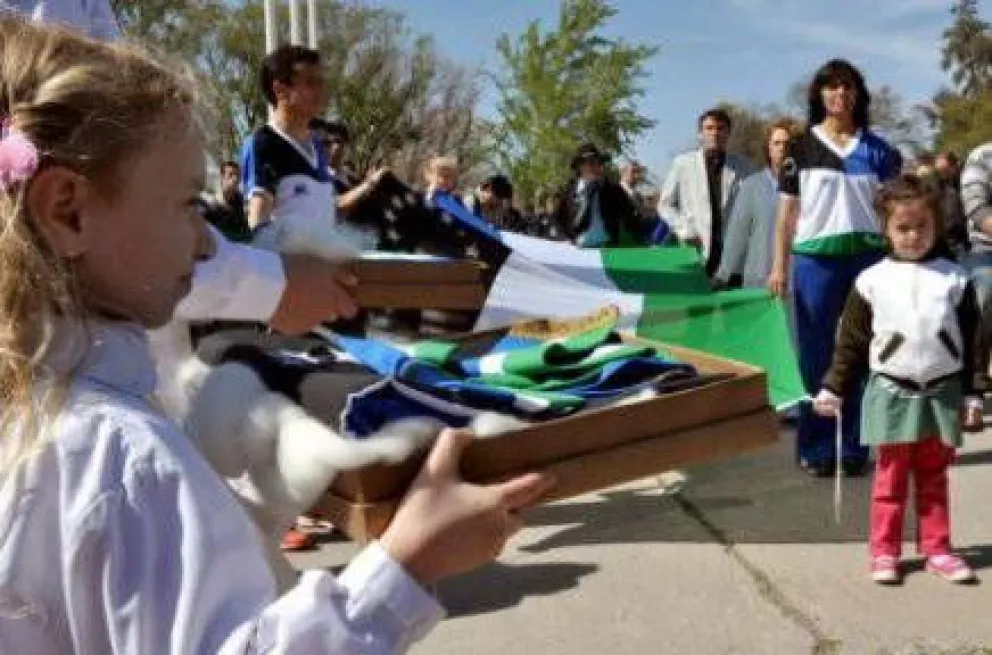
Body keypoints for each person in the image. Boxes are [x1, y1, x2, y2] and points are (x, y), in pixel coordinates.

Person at [0, 18, 554, 653]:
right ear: (68, 210)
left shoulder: (43, 416)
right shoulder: (124, 463)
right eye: (186, 204)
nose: (208, 238)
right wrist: (406, 565)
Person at [812, 174, 983, 585]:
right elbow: (851, 342)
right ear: (885, 230)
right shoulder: (871, 281)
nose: (912, 236)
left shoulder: (955, 279)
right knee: (889, 480)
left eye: (921, 226)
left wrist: (973, 394)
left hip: (941, 393)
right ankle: (884, 552)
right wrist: (834, 385)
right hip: (891, 392)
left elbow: (975, 342)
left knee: (933, 477)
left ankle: (937, 548)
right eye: (902, 228)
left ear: (936, 225)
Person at [768, 59, 902, 477]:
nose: (839, 94)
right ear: (819, 95)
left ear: (857, 94)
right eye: (831, 87)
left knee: (864, 352)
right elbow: (787, 215)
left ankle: (857, 446)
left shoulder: (881, 151)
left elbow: (897, 210)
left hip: (867, 259)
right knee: (815, 356)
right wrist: (779, 266)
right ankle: (817, 446)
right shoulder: (800, 149)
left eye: (847, 87)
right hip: (814, 261)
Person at [658, 108, 752, 276]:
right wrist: (684, 228)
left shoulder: (744, 166)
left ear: (728, 133)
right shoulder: (683, 164)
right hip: (695, 248)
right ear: (700, 133)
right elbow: (665, 204)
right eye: (709, 128)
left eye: (721, 128)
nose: (715, 133)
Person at [715, 119, 797, 289]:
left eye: (787, 143)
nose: (782, 148)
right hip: (759, 278)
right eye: (777, 143)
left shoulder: (807, 185)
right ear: (768, 148)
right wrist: (723, 273)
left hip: (796, 279)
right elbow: (738, 232)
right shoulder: (752, 185)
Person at [553, 142, 656, 247]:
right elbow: (558, 220)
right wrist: (564, 240)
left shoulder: (614, 191)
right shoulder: (568, 192)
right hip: (577, 251)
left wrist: (650, 235)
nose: (596, 166)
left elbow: (631, 221)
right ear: (580, 166)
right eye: (592, 162)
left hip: (606, 251)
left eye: (599, 163)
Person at [202, 160, 251, 243]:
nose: (235, 179)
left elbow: (243, 225)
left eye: (237, 175)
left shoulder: (238, 198)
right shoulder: (211, 198)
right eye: (231, 175)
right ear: (222, 177)